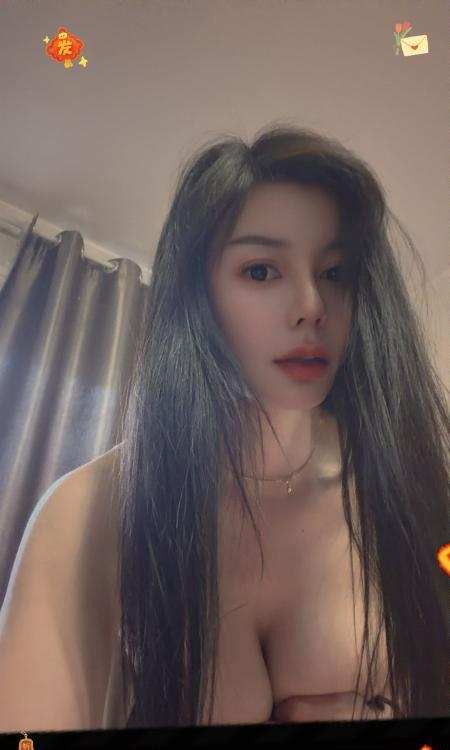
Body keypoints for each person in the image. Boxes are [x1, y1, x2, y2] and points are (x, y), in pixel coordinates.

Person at [0, 125, 448, 732]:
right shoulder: (89, 510)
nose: (311, 306)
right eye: (261, 271)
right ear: (198, 297)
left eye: (335, 272)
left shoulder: (407, 492)